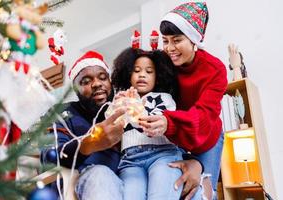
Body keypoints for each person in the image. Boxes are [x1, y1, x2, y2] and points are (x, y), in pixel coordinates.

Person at [41, 50, 204, 200]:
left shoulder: (125, 105)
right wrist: (90, 143)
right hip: (94, 179)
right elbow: (49, 157)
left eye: (103, 77)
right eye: (85, 81)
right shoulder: (63, 112)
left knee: (194, 190)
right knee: (101, 174)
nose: (97, 83)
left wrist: (195, 164)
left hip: (133, 177)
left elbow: (159, 139)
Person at [139, 2, 228, 199]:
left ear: (194, 39)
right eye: (165, 41)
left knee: (203, 192)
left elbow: (204, 117)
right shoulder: (162, 63)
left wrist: (169, 122)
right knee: (174, 188)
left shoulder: (215, 70)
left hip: (206, 140)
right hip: (172, 136)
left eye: (177, 40)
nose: (170, 48)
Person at [110, 47, 202, 200]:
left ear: (157, 77)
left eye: (149, 71)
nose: (142, 75)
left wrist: (136, 109)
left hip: (162, 154)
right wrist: (116, 106)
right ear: (129, 76)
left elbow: (154, 125)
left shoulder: (164, 98)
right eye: (137, 70)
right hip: (130, 160)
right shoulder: (124, 98)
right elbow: (112, 125)